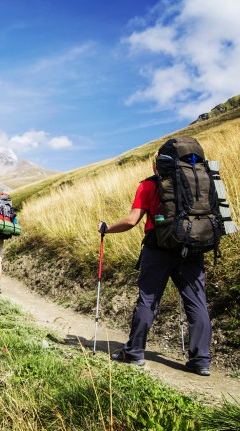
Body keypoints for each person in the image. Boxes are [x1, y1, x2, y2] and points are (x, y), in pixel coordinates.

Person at [98, 153, 212, 376]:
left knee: (148, 300)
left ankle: (134, 353)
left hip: (157, 250)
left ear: (156, 164)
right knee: (197, 303)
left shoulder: (149, 185)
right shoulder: (201, 181)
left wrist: (107, 228)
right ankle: (200, 361)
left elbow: (132, 220)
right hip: (193, 249)